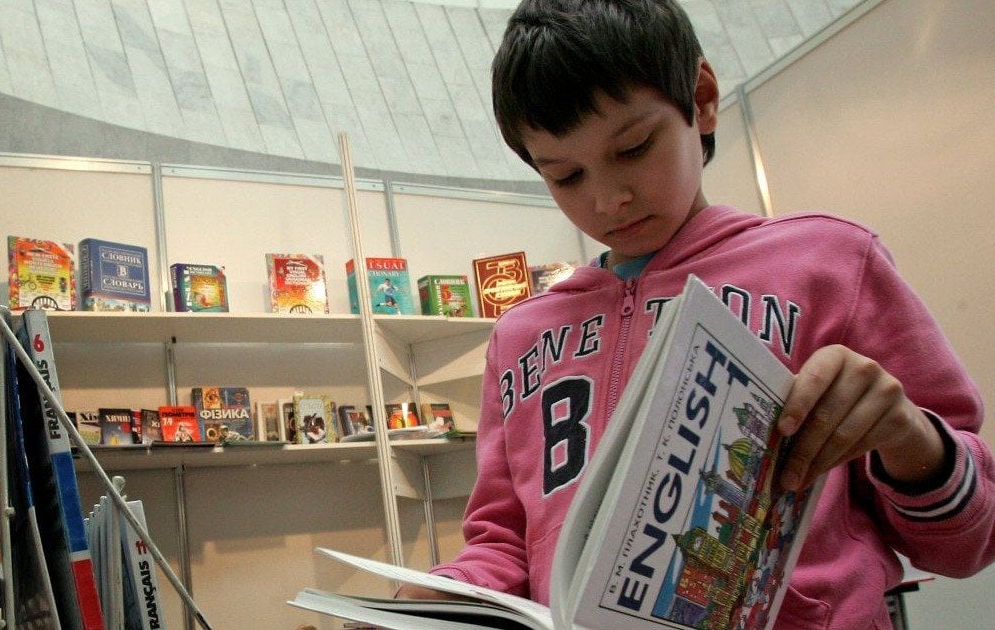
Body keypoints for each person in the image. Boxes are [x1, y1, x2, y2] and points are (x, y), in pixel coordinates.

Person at [397, 1, 995, 627]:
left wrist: (911, 438)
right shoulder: (519, 336)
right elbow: (502, 542)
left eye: (634, 148)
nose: (608, 199)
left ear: (702, 99)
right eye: (566, 176)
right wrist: (448, 594)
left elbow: (969, 542)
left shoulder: (831, 264)